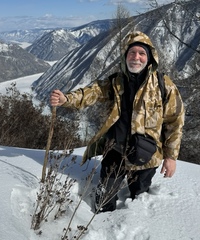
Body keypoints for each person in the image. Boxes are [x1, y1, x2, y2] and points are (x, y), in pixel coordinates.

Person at [50, 31, 185, 212]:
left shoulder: (164, 85)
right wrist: (66, 99)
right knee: (104, 201)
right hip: (115, 151)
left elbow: (175, 121)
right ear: (125, 56)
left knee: (139, 199)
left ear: (150, 58)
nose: (136, 57)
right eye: (132, 53)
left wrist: (170, 157)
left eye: (141, 53)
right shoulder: (115, 82)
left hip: (147, 156)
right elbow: (92, 92)